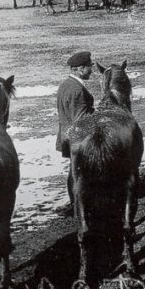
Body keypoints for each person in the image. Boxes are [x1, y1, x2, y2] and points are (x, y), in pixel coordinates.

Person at [56, 51, 95, 209]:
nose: (91, 70)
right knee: (82, 173)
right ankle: (81, 205)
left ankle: (75, 204)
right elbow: (81, 120)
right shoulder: (77, 90)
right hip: (79, 140)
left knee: (74, 172)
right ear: (80, 69)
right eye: (89, 67)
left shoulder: (65, 85)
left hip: (67, 137)